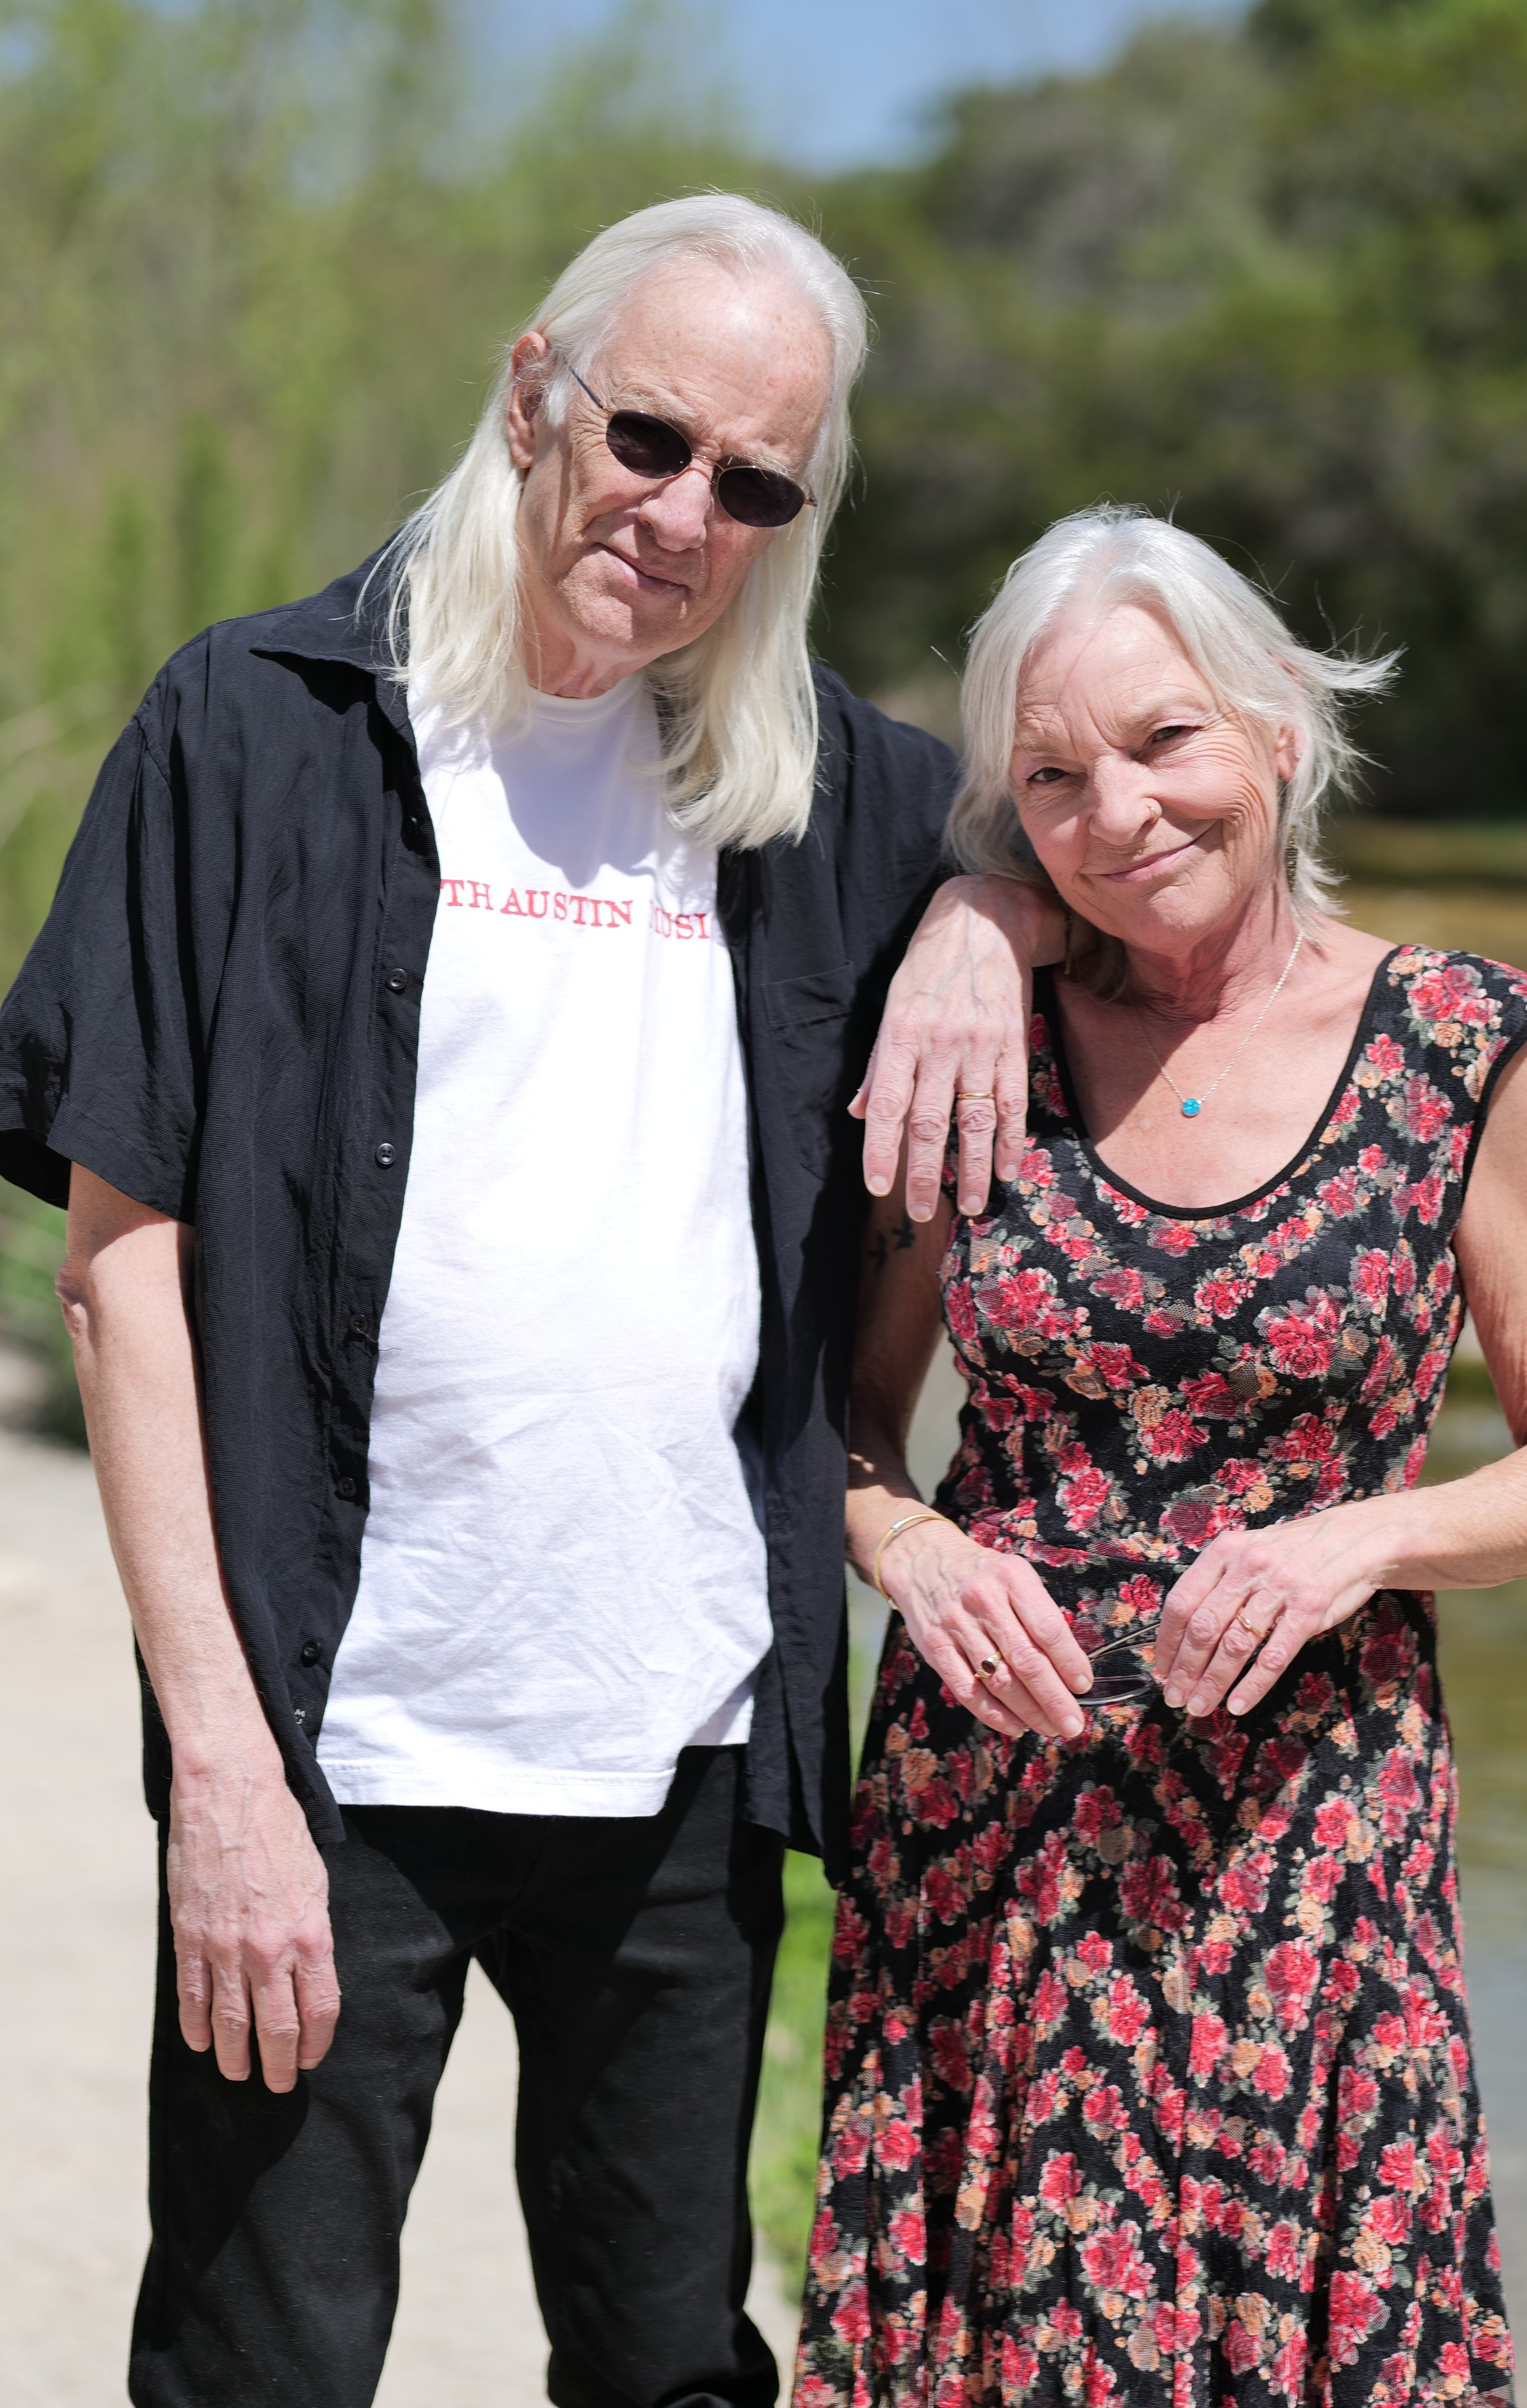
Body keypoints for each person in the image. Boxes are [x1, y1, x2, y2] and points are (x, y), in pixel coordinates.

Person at [0, 197, 1063, 2408]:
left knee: (675, 2367)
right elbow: (121, 1280)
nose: (682, 516)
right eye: (649, 437)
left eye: (752, 483)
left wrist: (979, 926)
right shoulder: (257, 728)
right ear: (530, 393)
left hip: (675, 1749)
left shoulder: (829, 808)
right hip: (335, 1753)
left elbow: (1113, 856)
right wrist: (218, 1768)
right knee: (253, 2369)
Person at [798, 504, 1527, 2407]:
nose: (1119, 812)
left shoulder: (1464, 1049)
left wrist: (1361, 1543)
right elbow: (833, 1418)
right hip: (988, 1842)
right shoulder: (971, 1054)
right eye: (1053, 777)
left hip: (1311, 1859)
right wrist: (907, 1545)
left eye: (1164, 742)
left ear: (1277, 736)